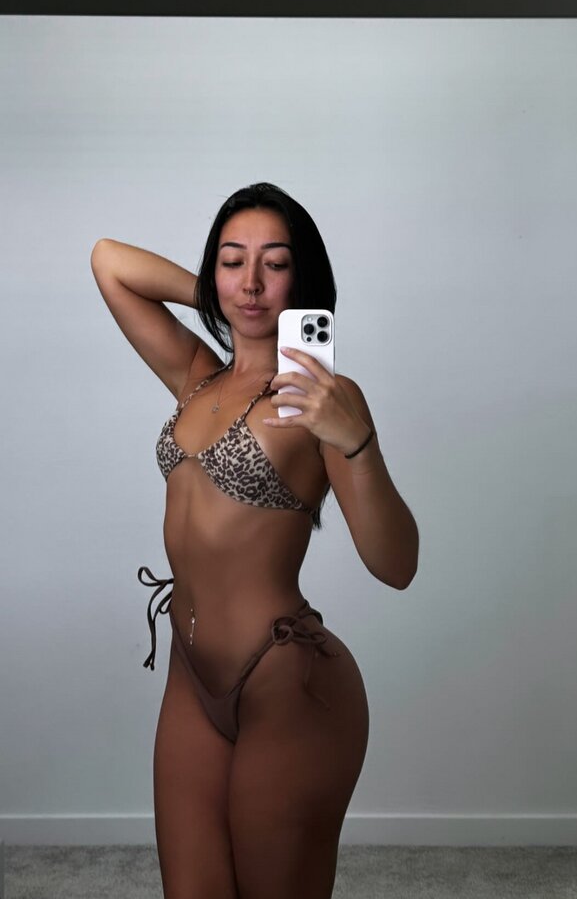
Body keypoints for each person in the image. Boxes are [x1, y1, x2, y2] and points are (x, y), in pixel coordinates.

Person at [90, 181, 418, 899]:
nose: (252, 282)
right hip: (191, 679)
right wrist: (212, 296)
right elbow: (109, 261)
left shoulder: (322, 399)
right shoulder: (195, 376)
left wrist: (356, 444)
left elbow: (397, 565)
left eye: (275, 263)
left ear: (302, 278)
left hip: (285, 682)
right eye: (233, 261)